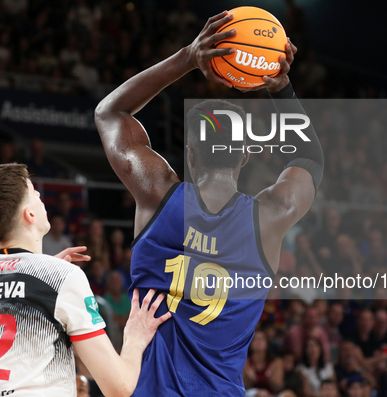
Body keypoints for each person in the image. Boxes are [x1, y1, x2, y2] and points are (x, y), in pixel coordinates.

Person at [95, 10, 322, 396]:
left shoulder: (157, 193)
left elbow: (111, 112)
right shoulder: (270, 215)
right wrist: (281, 89)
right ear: (245, 156)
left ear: (190, 155)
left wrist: (189, 57)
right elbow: (310, 160)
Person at [0, 163, 170, 396]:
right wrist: (134, 338)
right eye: (33, 192)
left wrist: (38, 273)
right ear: (30, 214)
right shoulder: (61, 277)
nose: (40, 195)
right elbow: (119, 387)